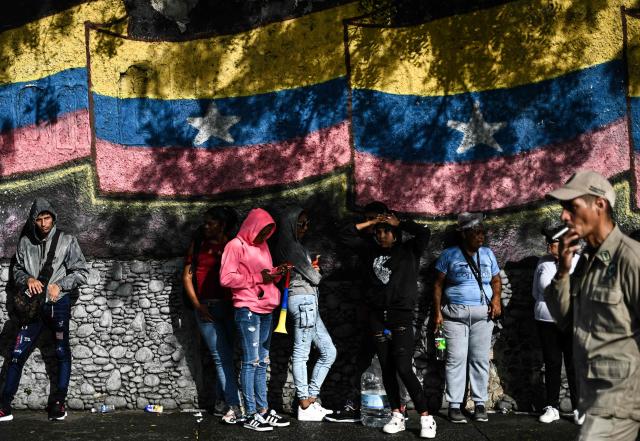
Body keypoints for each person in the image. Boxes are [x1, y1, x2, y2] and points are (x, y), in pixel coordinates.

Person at [544, 170, 640, 441]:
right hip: (593, 398)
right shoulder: (586, 262)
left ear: (600, 205)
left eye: (572, 207)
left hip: (622, 400)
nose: (564, 216)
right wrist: (563, 272)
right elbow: (565, 320)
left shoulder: (630, 258)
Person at [339, 211, 437, 438]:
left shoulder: (409, 250)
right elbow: (345, 235)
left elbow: (424, 232)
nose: (382, 235)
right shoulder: (369, 251)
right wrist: (372, 221)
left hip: (400, 316)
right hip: (376, 317)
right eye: (379, 232)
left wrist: (399, 222)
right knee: (387, 369)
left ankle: (426, 418)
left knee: (403, 367)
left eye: (386, 231)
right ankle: (397, 415)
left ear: (395, 234)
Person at [0, 198, 88, 422]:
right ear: (33, 221)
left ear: (53, 218)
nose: (43, 223)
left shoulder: (67, 241)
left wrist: (61, 286)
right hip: (31, 308)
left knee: (61, 352)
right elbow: (17, 271)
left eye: (47, 218)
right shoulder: (24, 243)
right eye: (39, 219)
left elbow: (81, 272)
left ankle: (58, 403)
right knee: (17, 354)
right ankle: (4, 406)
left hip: (57, 306)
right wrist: (27, 279)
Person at [219, 208, 290, 431]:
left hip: (267, 307)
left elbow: (264, 273)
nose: (263, 236)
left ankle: (263, 411)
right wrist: (259, 277)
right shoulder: (235, 245)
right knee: (251, 362)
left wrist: (277, 272)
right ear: (251, 226)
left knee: (262, 362)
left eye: (268, 232)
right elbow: (226, 278)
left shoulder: (263, 246)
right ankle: (250, 414)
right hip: (247, 308)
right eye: (261, 231)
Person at [433, 212, 501, 424]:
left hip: (483, 316)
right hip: (455, 316)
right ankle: (454, 406)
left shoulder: (488, 254)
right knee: (456, 360)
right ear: (464, 234)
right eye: (475, 233)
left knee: (480, 359)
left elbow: (496, 281)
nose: (480, 238)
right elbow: (437, 285)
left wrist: (497, 300)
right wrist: (437, 313)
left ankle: (479, 404)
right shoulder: (449, 255)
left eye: (482, 233)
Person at [273, 206, 336, 421]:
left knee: (329, 351)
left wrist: (312, 269)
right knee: (301, 354)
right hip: (304, 303)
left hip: (309, 302)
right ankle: (304, 403)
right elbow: (316, 278)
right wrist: (315, 271)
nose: (305, 228)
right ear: (291, 224)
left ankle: (310, 397)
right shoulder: (292, 247)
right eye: (301, 224)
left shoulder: (296, 247)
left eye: (307, 224)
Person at [183, 206, 241, 424]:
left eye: (211, 223)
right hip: (206, 308)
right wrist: (198, 306)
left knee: (226, 357)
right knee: (222, 357)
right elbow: (187, 277)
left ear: (223, 225)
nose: (205, 226)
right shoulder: (198, 244)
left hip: (230, 306)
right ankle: (234, 406)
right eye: (205, 222)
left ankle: (220, 402)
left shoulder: (233, 246)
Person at [533, 224, 581, 425]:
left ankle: (580, 408)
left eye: (551, 242)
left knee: (573, 364)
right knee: (552, 364)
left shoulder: (579, 262)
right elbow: (537, 291)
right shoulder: (544, 263)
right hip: (546, 321)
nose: (547, 246)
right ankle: (551, 407)